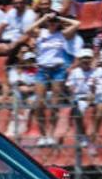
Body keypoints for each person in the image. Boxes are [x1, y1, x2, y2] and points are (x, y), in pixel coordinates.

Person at [23, 12, 81, 145]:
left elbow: (77, 24)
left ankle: (51, 134)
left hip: (58, 69)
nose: (52, 23)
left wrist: (58, 18)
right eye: (51, 21)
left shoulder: (62, 34)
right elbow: (27, 30)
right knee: (39, 103)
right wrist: (44, 18)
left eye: (54, 22)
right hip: (43, 69)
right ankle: (43, 134)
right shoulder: (41, 32)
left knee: (54, 104)